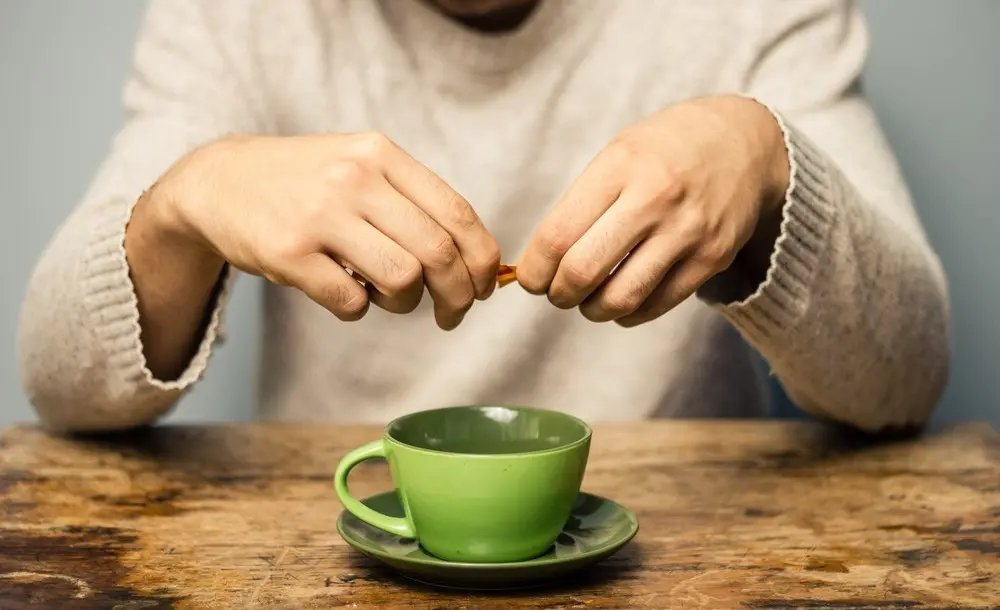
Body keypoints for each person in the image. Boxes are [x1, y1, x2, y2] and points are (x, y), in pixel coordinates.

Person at [18, 0, 950, 434]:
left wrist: (768, 159)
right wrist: (190, 199)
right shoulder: (231, 16)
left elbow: (906, 379)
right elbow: (60, 387)